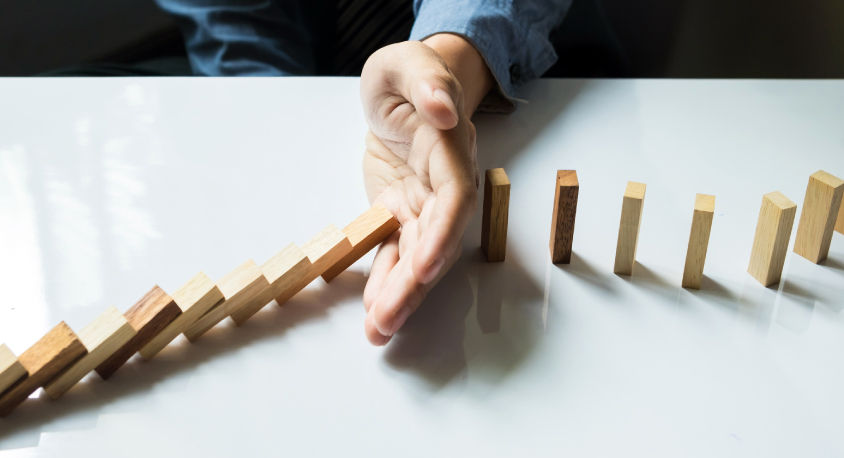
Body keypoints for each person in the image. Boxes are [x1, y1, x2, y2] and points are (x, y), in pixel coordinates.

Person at [155, 0, 604, 345]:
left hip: (547, 72)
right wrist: (279, 122)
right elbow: (238, 35)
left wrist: (445, 58)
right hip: (308, 83)